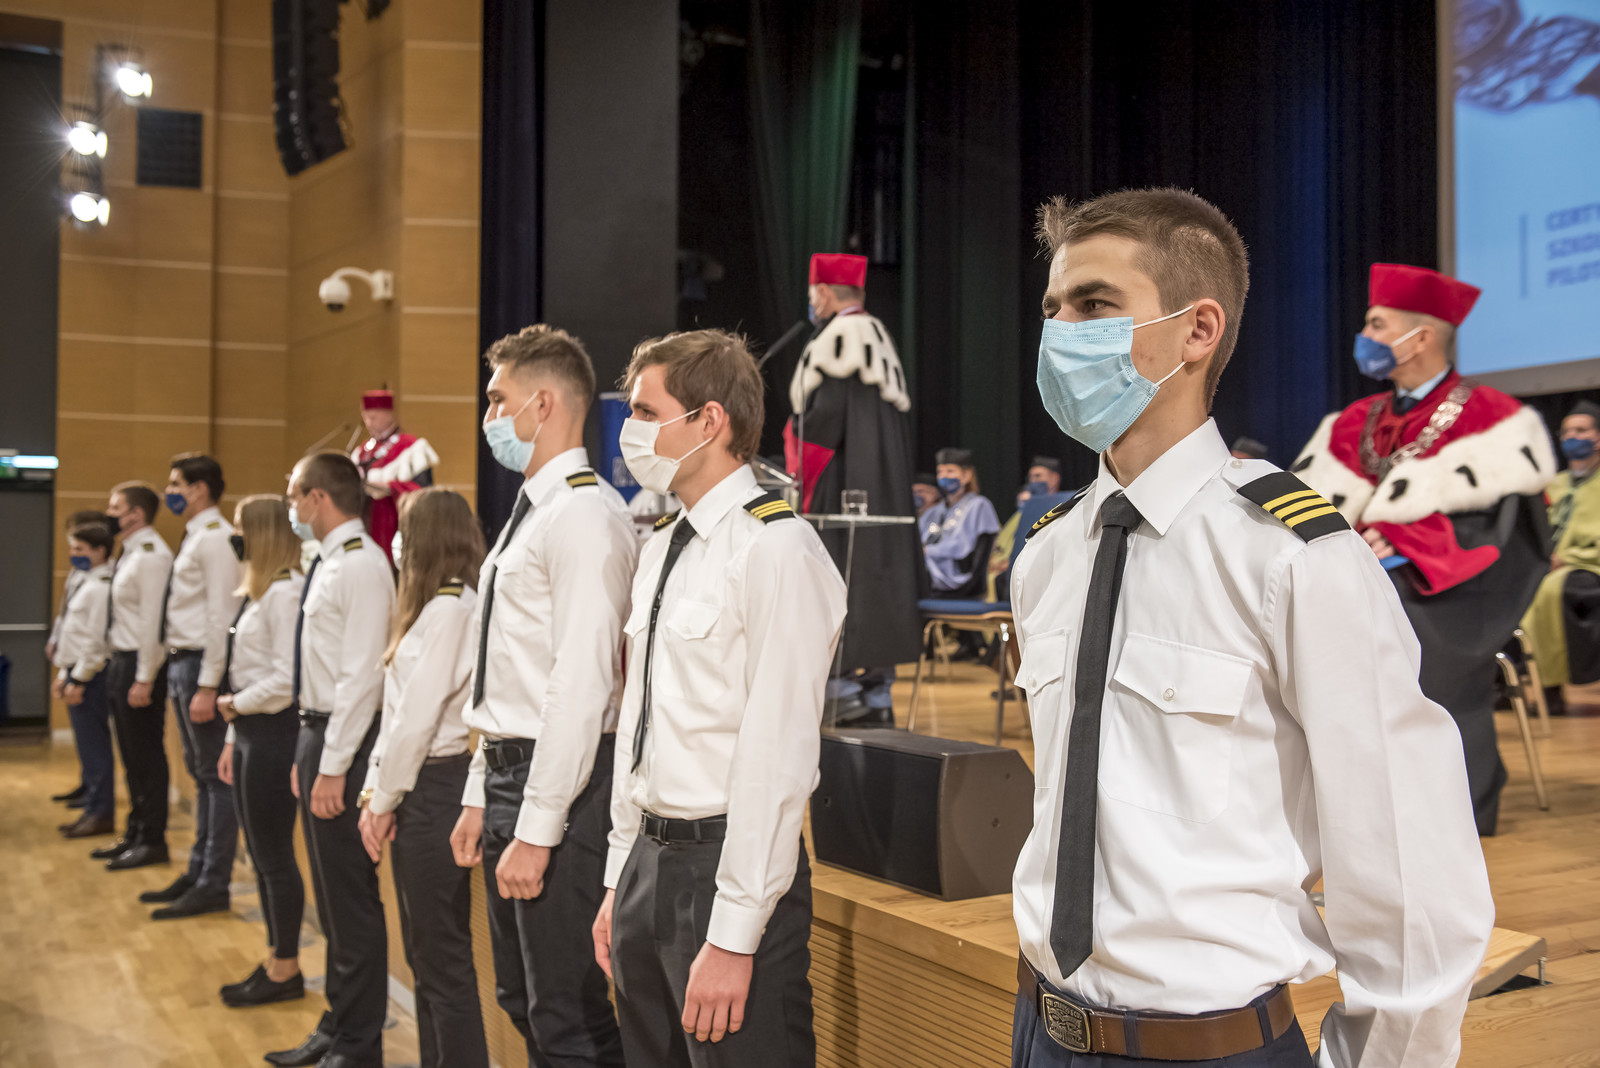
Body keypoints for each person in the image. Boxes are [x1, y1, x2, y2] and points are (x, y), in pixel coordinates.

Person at [1010, 187, 1493, 1067]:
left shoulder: (1293, 555)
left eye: (1094, 305)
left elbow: (1405, 862)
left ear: (1198, 330)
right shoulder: (1047, 552)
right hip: (1041, 1029)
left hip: (1210, 1046)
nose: (1060, 333)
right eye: (1053, 309)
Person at [593, 329, 847, 1066]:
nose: (632, 430)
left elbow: (778, 757)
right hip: (647, 862)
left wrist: (735, 935)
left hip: (725, 871)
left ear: (709, 421)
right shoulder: (662, 545)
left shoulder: (777, 548)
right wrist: (618, 878)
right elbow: (639, 726)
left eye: (646, 412)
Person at [1291, 262, 1554, 835]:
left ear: (1422, 337)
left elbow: (1506, 530)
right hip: (1348, 575)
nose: (1365, 337)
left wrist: (1403, 544)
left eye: (1377, 325)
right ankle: (1341, 804)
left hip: (1445, 588)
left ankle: (1439, 809)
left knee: (1400, 627)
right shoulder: (1352, 421)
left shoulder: (1494, 419)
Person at [447, 324, 634, 1066]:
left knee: (568, 1016)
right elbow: (506, 670)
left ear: (544, 403)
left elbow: (580, 683)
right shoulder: (535, 510)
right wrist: (477, 788)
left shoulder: (584, 514)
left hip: (560, 784)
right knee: (521, 999)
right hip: (509, 772)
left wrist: (538, 826)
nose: (490, 416)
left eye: (499, 400)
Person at [266, 452, 394, 1068]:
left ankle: (359, 1045)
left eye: (294, 495)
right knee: (331, 899)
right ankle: (338, 1025)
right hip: (317, 731)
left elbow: (361, 678)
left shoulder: (361, 565)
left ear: (318, 498)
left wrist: (335, 765)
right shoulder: (329, 561)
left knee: (350, 900)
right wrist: (311, 754)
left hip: (345, 737)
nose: (290, 507)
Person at [358, 488, 490, 1068]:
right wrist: (377, 791)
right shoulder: (433, 607)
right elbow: (397, 715)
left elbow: (415, 723)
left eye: (404, 530)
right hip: (415, 783)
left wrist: (381, 800)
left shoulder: (452, 609)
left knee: (442, 960)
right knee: (424, 956)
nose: (396, 541)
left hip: (435, 785)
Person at [784, 252, 921, 722]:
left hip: (841, 490)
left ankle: (841, 692)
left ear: (823, 292)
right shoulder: (880, 341)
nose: (811, 303)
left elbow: (819, 431)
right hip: (883, 491)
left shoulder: (837, 343)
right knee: (878, 579)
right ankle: (878, 693)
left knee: (844, 580)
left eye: (812, 295)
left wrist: (794, 448)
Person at [213, 495, 307, 1008]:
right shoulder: (262, 590)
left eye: (241, 528)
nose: (235, 537)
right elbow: (247, 671)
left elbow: (286, 679)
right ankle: (276, 958)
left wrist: (236, 706)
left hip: (274, 733)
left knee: (273, 856)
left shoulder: (285, 593)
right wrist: (233, 735)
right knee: (260, 854)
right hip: (250, 731)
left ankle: (285, 965)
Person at [145, 453, 243, 918]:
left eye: (175, 484)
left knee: (214, 778)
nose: (170, 493)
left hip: (202, 665)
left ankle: (212, 881)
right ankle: (197, 870)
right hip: (183, 662)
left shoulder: (216, 538)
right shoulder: (196, 536)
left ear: (199, 489)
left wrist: (208, 685)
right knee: (201, 774)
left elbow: (221, 615)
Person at [98, 484, 175, 870]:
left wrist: (144, 676)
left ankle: (152, 839)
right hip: (122, 659)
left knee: (145, 755)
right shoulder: (130, 551)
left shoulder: (152, 555)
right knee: (130, 756)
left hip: (139, 664)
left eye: (116, 508)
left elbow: (151, 623)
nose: (109, 514)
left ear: (136, 514)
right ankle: (135, 831)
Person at [1521, 399, 1600, 709]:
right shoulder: (1555, 483)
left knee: (1552, 590)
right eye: (1566, 431)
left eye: (1581, 431)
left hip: (1588, 564)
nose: (1571, 437)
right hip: (1549, 564)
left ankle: (1552, 685)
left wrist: (1570, 557)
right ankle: (1499, 687)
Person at [51, 518, 118, 838]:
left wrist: (77, 679)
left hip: (90, 677)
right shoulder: (85, 581)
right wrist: (64, 673)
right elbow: (72, 634)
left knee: (95, 748)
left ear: (100, 550)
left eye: (80, 549)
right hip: (77, 672)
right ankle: (92, 806)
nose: (73, 554)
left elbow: (95, 642)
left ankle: (100, 812)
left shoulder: (101, 587)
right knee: (87, 748)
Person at [351, 388, 439, 563]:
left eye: (373, 417)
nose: (368, 423)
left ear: (388, 414)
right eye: (365, 417)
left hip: (394, 525)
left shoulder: (410, 447)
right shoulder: (362, 451)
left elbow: (424, 493)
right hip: (365, 522)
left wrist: (390, 488)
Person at [922, 447, 1001, 594]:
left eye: (950, 471)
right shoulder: (935, 511)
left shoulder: (978, 505)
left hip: (957, 577)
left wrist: (928, 551)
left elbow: (962, 548)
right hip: (928, 570)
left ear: (967, 475)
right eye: (940, 472)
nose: (944, 476)